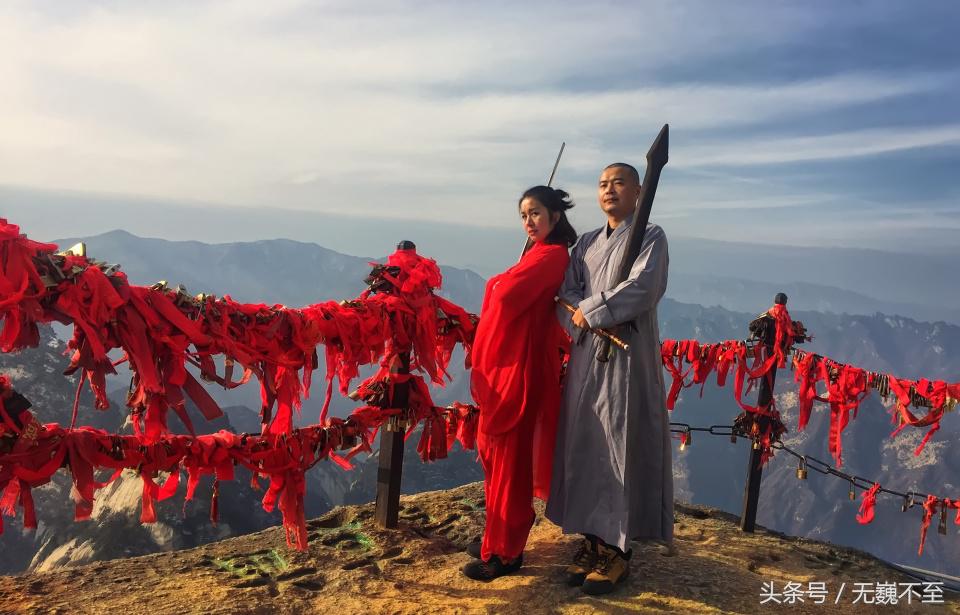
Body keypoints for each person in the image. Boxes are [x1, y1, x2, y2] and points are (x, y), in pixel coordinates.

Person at [546, 162, 672, 595]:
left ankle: (618, 553)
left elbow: (643, 288)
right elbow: (566, 291)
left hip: (627, 359)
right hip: (586, 358)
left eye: (619, 183)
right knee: (586, 444)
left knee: (619, 446)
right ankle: (589, 539)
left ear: (638, 191)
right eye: (602, 184)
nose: (609, 190)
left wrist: (595, 310)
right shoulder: (585, 243)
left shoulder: (651, 236)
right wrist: (585, 314)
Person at [462, 185, 576, 581]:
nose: (529, 222)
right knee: (499, 460)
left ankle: (506, 554)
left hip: (520, 370)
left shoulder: (553, 256)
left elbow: (508, 297)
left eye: (536, 213)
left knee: (510, 461)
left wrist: (498, 282)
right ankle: (495, 539)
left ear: (555, 217)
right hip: (511, 365)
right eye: (524, 215)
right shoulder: (541, 254)